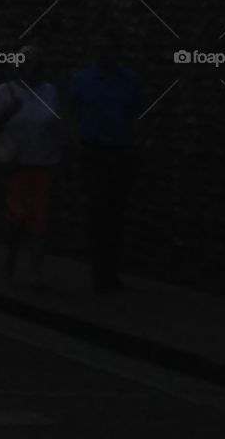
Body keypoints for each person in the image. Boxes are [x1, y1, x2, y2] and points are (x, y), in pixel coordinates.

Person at [68, 30, 144, 294]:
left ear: (116, 52)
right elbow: (72, 115)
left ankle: (111, 271)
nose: (102, 54)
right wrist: (78, 144)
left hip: (122, 153)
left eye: (107, 49)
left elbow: (137, 115)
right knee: (98, 212)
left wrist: (137, 146)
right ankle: (100, 273)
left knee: (117, 213)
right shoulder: (82, 80)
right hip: (94, 152)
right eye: (98, 49)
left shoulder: (130, 81)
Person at [0, 44, 63, 288]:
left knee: (40, 218)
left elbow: (56, 125)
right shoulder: (5, 91)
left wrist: (60, 155)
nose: (31, 67)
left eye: (35, 62)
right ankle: (11, 258)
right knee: (17, 217)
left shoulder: (49, 91)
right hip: (16, 163)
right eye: (27, 62)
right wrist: (8, 113)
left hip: (43, 163)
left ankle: (35, 271)